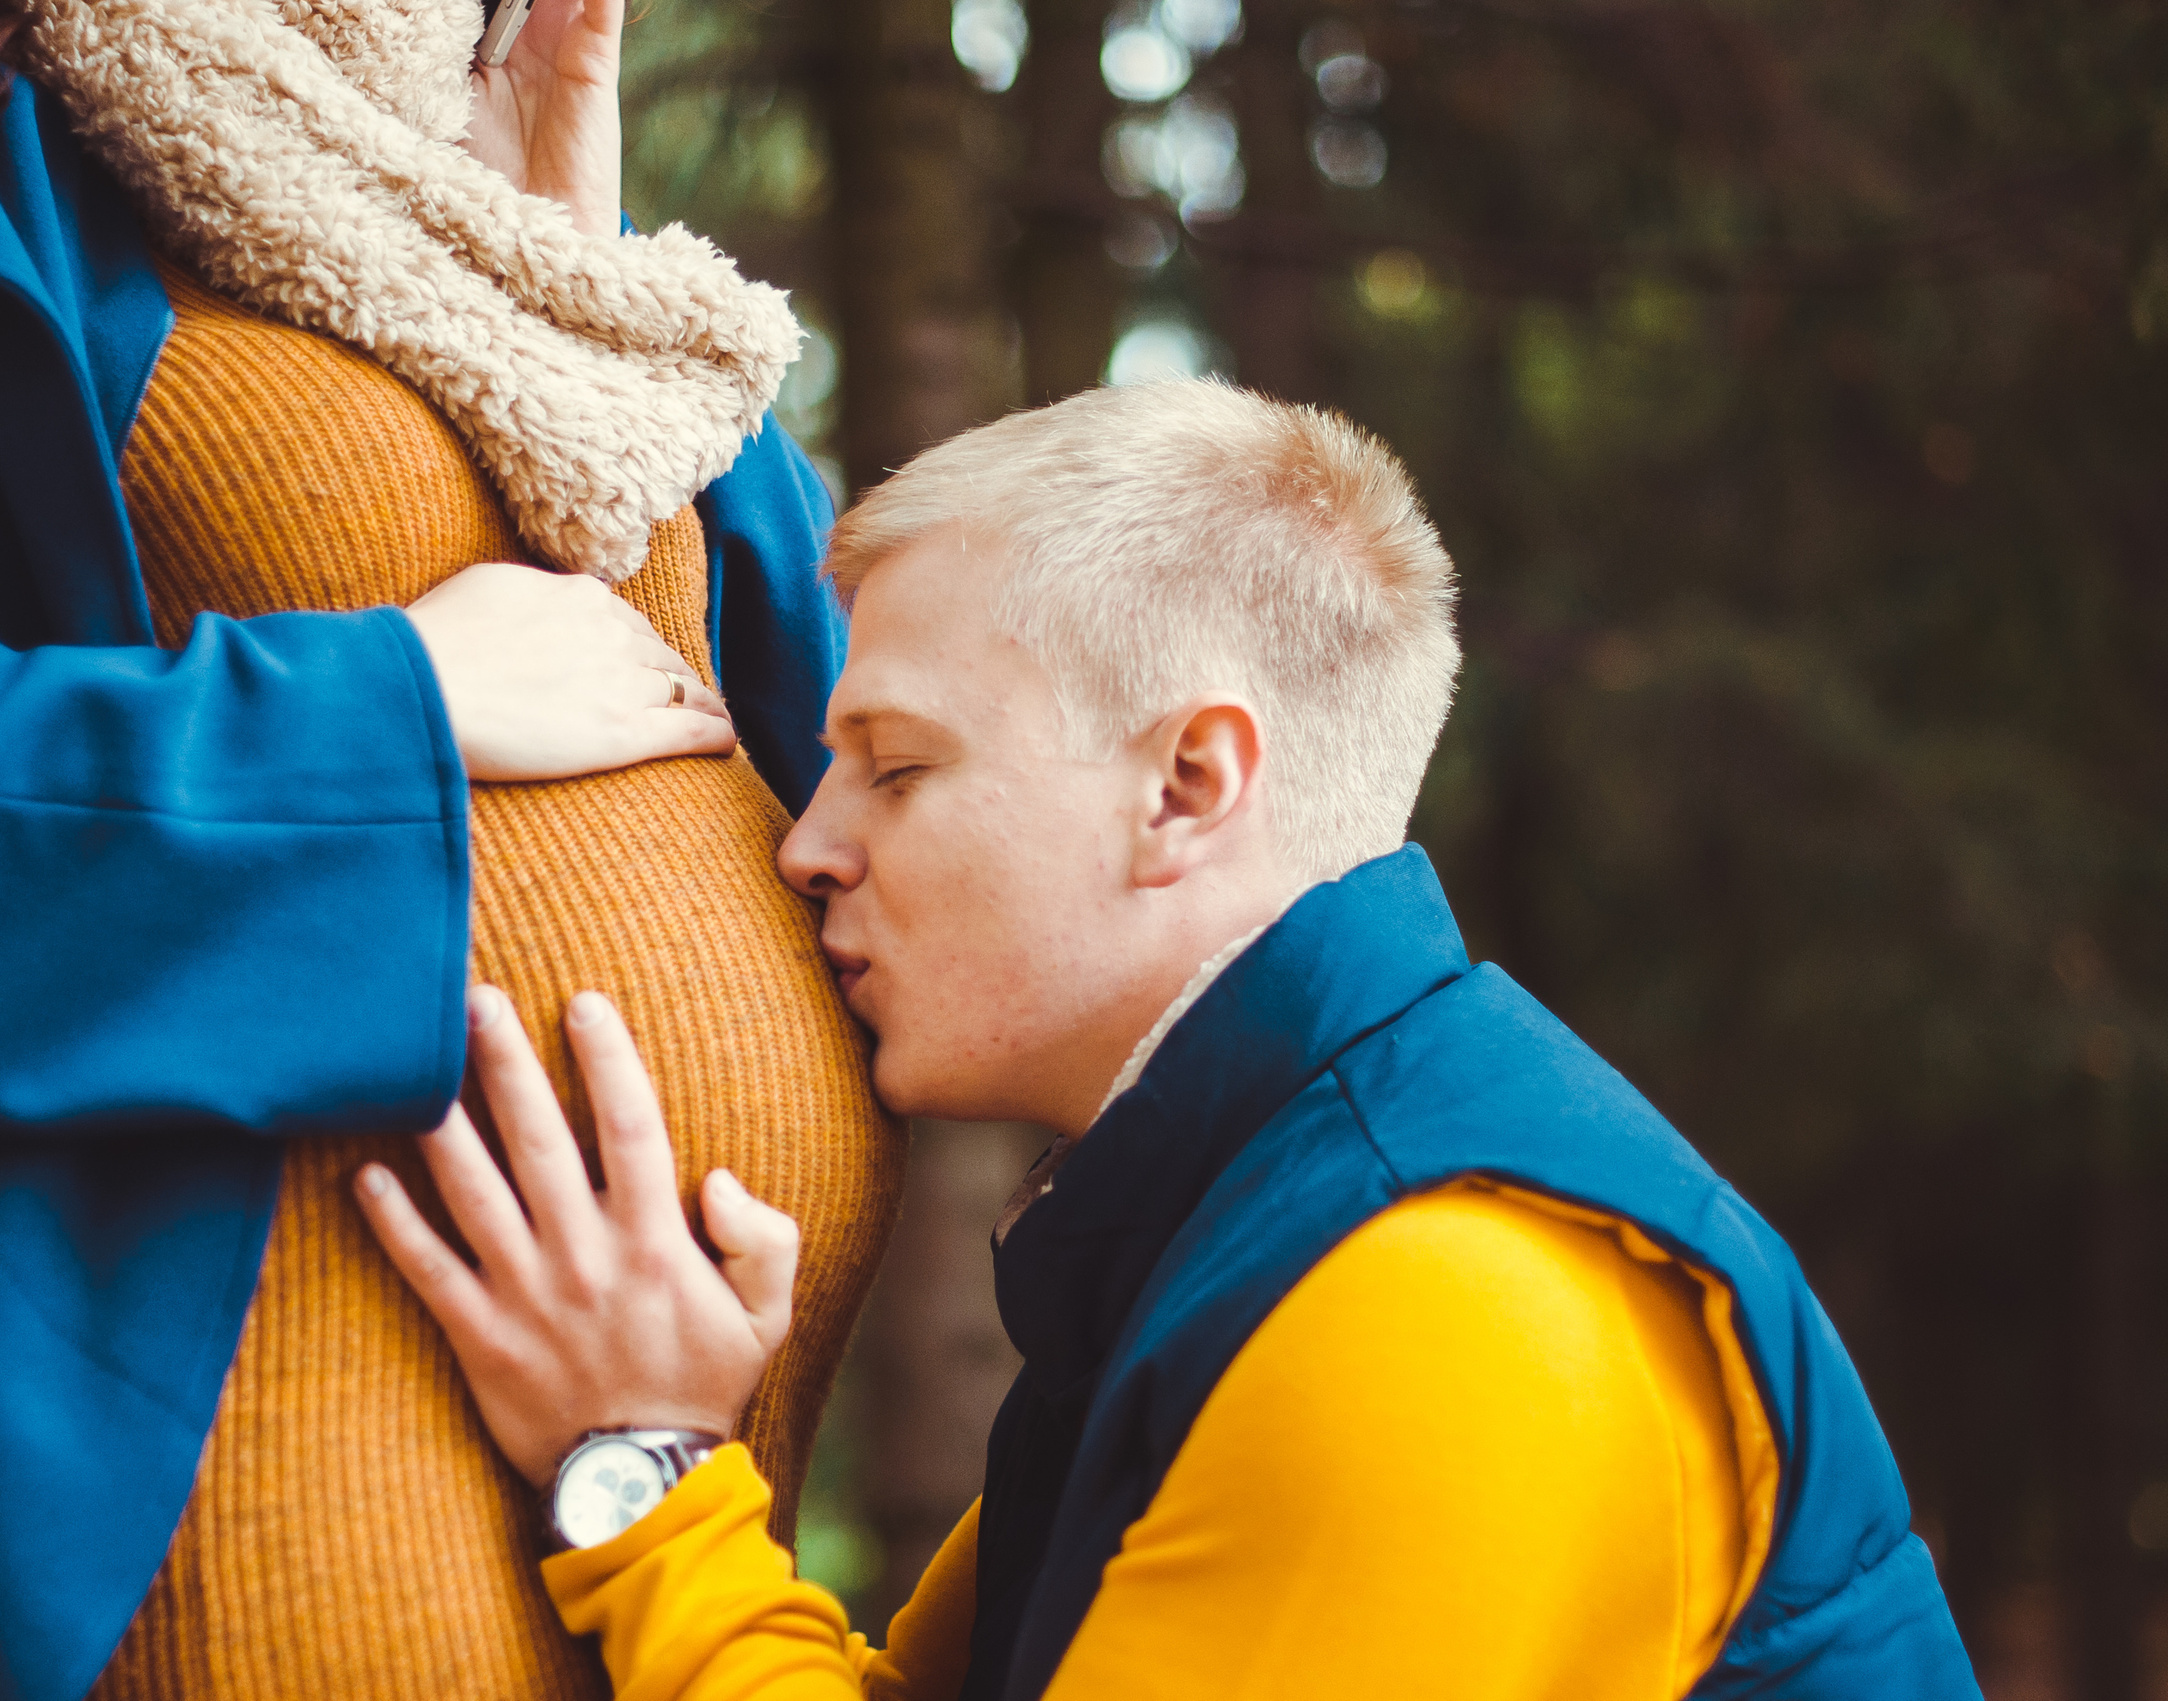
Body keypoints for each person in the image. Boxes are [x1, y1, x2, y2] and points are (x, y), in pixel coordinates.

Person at [0, 0, 899, 1696]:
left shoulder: (545, 178)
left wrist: (584, 299)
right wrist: (386, 710)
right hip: (188, 1538)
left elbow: (878, 739)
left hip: (674, 1522)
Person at [355, 380, 1983, 1700]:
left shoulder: (1449, 1298)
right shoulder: (1243, 1222)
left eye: (900, 764)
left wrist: (643, 1477)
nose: (810, 843)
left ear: (1188, 785)